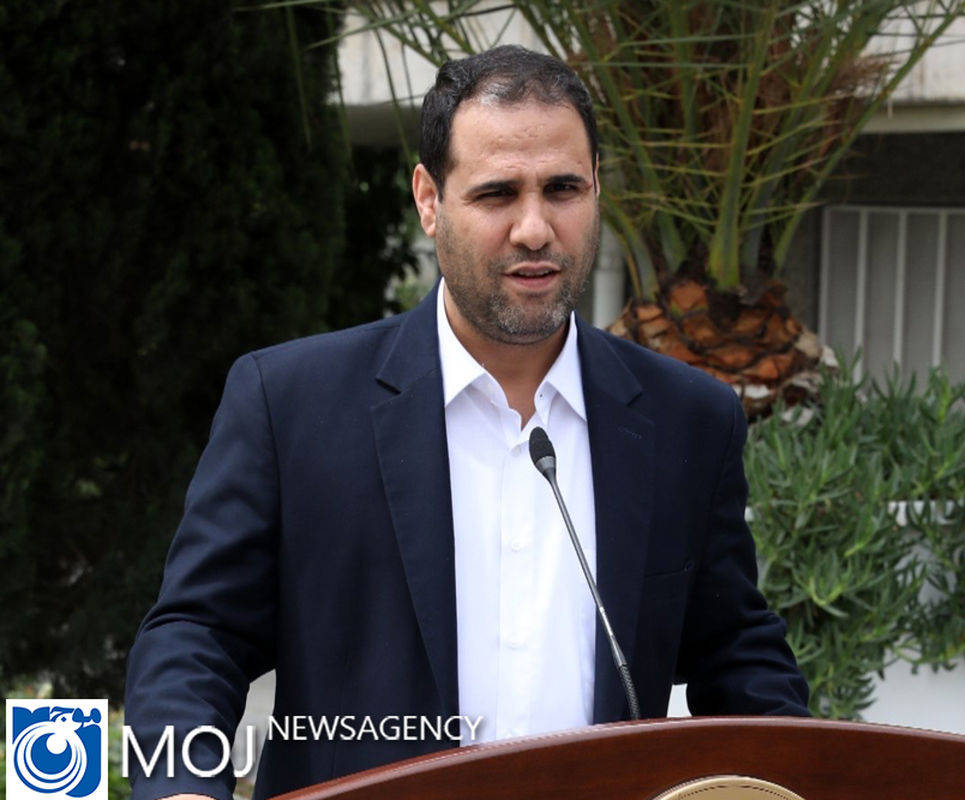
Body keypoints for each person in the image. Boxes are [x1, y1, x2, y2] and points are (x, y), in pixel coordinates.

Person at [124, 45, 808, 800]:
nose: (535, 228)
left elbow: (737, 655)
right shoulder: (289, 405)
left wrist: (799, 777)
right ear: (429, 199)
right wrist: (183, 786)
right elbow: (198, 636)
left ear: (597, 189)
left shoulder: (689, 421)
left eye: (563, 189)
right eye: (497, 194)